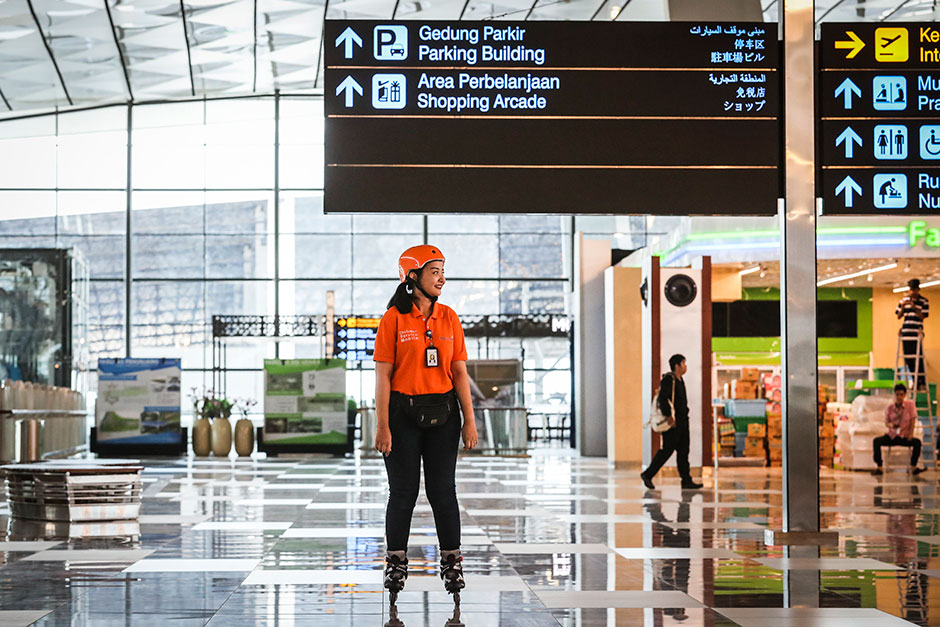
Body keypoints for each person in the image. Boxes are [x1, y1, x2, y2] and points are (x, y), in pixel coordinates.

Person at [373, 245, 478, 601]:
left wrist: (470, 420)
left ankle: (451, 560)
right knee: (402, 494)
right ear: (413, 276)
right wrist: (382, 424)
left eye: (443, 271)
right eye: (435, 271)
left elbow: (459, 372)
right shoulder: (393, 320)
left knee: (443, 493)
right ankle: (396, 561)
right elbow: (383, 376)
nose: (442, 278)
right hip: (402, 417)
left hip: (444, 417)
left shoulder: (449, 317)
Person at [640, 354, 703, 490]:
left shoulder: (680, 380)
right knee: (667, 451)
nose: (685, 366)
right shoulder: (669, 379)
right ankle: (648, 474)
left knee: (683, 451)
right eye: (683, 364)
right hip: (673, 423)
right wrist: (669, 417)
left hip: (683, 422)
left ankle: (686, 480)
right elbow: (663, 399)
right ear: (677, 365)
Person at [872, 383, 925, 476]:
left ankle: (913, 467)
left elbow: (913, 419)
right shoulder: (890, 408)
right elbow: (886, 423)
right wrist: (891, 425)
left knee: (917, 443)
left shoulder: (910, 405)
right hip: (892, 436)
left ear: (904, 395)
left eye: (901, 394)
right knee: (876, 441)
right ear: (894, 395)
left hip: (905, 436)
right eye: (897, 394)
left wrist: (911, 434)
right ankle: (879, 467)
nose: (899, 397)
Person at [896, 278, 929, 390]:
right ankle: (914, 381)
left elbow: (923, 316)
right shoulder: (904, 300)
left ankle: (921, 381)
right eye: (911, 289)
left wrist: (914, 308)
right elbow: (899, 316)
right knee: (908, 359)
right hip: (906, 332)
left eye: (914, 289)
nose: (912, 291)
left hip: (916, 333)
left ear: (918, 289)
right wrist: (904, 307)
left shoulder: (924, 301)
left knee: (917, 358)